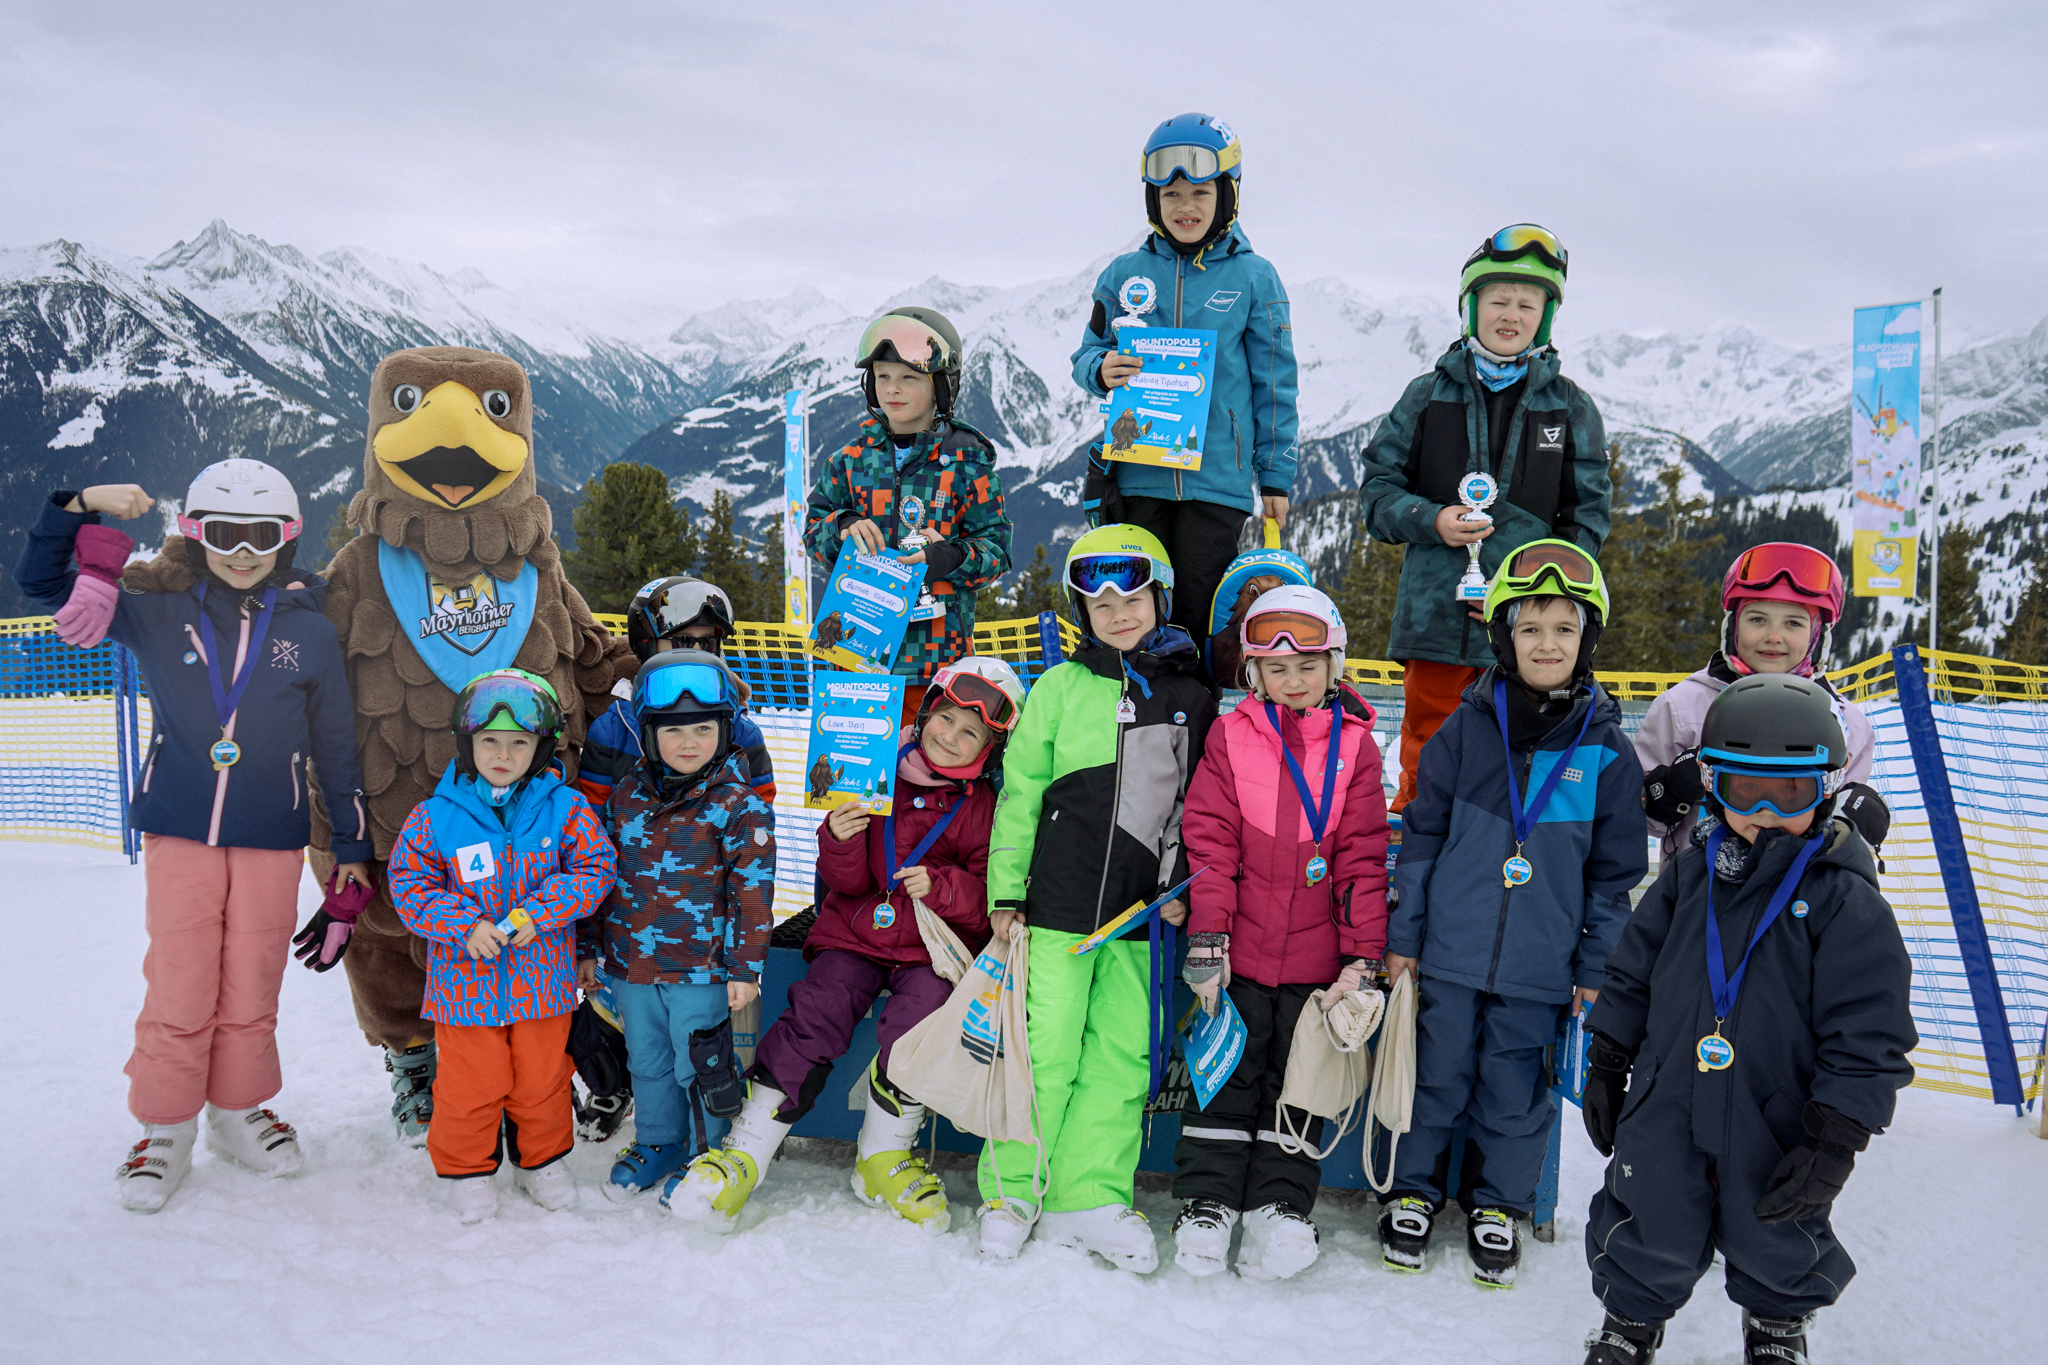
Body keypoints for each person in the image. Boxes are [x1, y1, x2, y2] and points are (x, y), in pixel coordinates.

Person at [12, 464, 373, 1213]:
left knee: (253, 977)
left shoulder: (309, 629)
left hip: (273, 833)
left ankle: (237, 1112)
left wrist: (352, 846)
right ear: (195, 533)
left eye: (262, 535)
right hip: (182, 827)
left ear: (289, 537)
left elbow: (337, 745)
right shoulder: (157, 607)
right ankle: (165, 1124)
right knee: (180, 976)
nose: (244, 551)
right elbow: (43, 585)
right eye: (224, 534)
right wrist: (77, 509)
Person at [1577, 674, 1915, 1365]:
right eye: (1742, 790)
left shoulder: (1845, 901)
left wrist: (1837, 1135)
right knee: (1650, 1211)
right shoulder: (1687, 875)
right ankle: (1629, 1321)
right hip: (1668, 1095)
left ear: (1825, 788)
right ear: (1711, 786)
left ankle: (1775, 1323)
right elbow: (1632, 969)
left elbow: (1871, 1032)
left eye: (1788, 792)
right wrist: (1610, 1055)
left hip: (1777, 1108)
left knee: (1779, 1225)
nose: (1763, 810)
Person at [666, 658, 1023, 1233]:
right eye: (947, 720)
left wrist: (946, 885)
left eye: (971, 734)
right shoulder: (874, 766)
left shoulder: (985, 806)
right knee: (819, 1010)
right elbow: (849, 883)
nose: (951, 739)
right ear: (927, 710)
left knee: (921, 1021)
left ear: (991, 747)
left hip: (929, 949)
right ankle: (748, 1150)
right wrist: (837, 836)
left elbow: (989, 897)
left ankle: (883, 1154)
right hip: (854, 932)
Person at [1380, 540, 1647, 1287]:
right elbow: (1422, 840)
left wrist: (1597, 968)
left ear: (1587, 638)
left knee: (1514, 1087)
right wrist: (1404, 937)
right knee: (1432, 1075)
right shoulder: (1464, 733)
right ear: (1503, 636)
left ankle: (1498, 1202)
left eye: (1565, 628)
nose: (1547, 643)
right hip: (1449, 951)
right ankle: (1412, 1189)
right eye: (1530, 628)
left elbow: (1612, 878)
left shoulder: (1607, 754)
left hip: (1540, 963)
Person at [976, 525, 1219, 1272]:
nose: (1117, 612)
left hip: (1143, 915)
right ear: (1082, 612)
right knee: (1043, 1051)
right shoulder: (1058, 688)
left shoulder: (1189, 695)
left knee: (1122, 1058)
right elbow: (1019, 797)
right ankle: (1013, 1189)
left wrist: (1181, 888)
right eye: (1099, 601)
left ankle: (1088, 1193)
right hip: (1055, 908)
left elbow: (1200, 805)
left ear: (1160, 598)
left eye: (1132, 596)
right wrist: (1007, 892)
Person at [1173, 586, 1390, 1280]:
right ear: (1253, 675)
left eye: (1307, 665)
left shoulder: (1357, 749)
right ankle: (1207, 1203)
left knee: (1298, 1083)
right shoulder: (1232, 735)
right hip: (1238, 952)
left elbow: (1361, 856)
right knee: (1228, 1072)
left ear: (1334, 665)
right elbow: (1209, 845)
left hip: (1316, 960)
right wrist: (1209, 939)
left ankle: (1280, 1207)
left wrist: (1361, 957)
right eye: (1275, 668)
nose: (1291, 680)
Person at [1357, 225, 1611, 812]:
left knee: (1520, 762)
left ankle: (1510, 873)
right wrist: (1432, 519)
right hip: (1436, 621)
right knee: (1428, 754)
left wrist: (1539, 594)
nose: (1510, 315)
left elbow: (1587, 520)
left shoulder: (1571, 408)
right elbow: (1377, 494)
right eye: (1497, 300)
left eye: (1528, 304)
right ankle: (1414, 867)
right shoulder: (1425, 396)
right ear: (1471, 307)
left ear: (1545, 317)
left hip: (1528, 629)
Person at [386, 668, 617, 1223]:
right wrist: (463, 925)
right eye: (490, 741)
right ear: (467, 743)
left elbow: (597, 868)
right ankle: (468, 1167)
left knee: (542, 1078)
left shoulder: (566, 808)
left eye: (519, 743)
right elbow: (409, 882)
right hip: (464, 990)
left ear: (540, 748)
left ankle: (541, 1162)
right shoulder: (437, 815)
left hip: (544, 984)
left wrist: (539, 913)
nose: (503, 754)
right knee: (472, 1083)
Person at [1073, 113, 1299, 647]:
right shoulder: (1124, 274)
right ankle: (1128, 721)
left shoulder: (1254, 277)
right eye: (1171, 195)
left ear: (1227, 196)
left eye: (1200, 192)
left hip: (1216, 481)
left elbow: (1275, 385)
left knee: (1197, 609)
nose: (1186, 207)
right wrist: (1100, 370)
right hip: (1137, 473)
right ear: (1153, 202)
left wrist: (1275, 477)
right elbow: (1089, 353)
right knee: (1133, 610)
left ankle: (1195, 724)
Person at [567, 575, 776, 1144]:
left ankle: (710, 1149)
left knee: (699, 1054)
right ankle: (651, 1132)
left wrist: (745, 959)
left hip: (699, 943)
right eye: (681, 639)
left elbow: (752, 854)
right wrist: (590, 938)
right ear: (644, 643)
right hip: (631, 934)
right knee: (645, 1046)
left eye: (709, 643)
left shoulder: (738, 724)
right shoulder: (619, 728)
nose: (696, 653)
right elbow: (589, 838)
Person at [802, 306, 1012, 720]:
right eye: (883, 377)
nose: (892, 389)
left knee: (924, 779)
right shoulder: (849, 461)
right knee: (850, 781)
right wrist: (841, 526)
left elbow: (997, 551)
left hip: (934, 667)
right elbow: (812, 531)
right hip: (853, 654)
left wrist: (948, 557)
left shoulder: (967, 463)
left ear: (940, 386)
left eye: (909, 378)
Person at [1635, 543, 1883, 861]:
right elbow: (1637, 818)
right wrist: (1669, 789)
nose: (1773, 636)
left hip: (1803, 901)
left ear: (1818, 636)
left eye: (1793, 623)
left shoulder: (1847, 724)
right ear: (1733, 626)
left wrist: (1855, 819)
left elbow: (1840, 837)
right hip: (1697, 896)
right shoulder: (1684, 708)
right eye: (1757, 619)